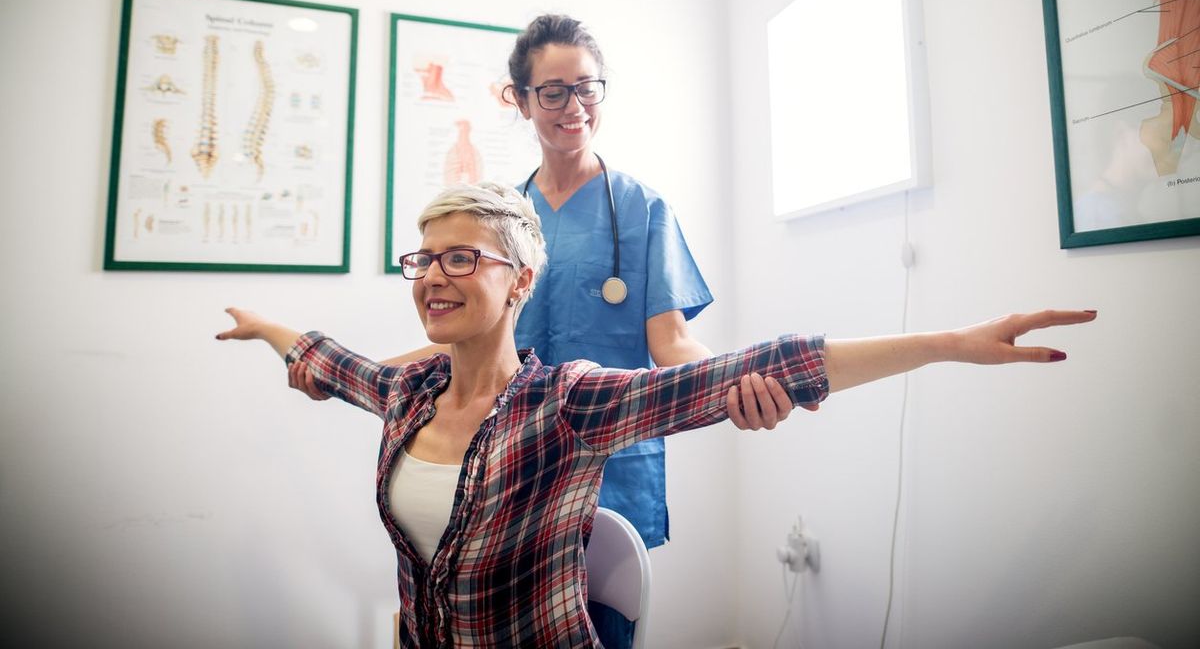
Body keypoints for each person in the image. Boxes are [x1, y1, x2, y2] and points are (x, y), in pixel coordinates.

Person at [219, 181, 1096, 648]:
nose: (432, 277)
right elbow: (332, 363)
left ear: (520, 280)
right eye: (421, 258)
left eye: (462, 258)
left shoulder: (569, 403)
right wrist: (269, 331)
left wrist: (951, 342)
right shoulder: (406, 394)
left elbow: (772, 365)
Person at [292, 12, 795, 649]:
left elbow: (672, 346)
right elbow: (463, 337)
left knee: (599, 629)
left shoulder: (642, 209)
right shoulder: (501, 217)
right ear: (521, 100)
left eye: (587, 87)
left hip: (609, 458)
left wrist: (739, 384)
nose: (573, 105)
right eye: (552, 91)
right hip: (505, 464)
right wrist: (348, 374)